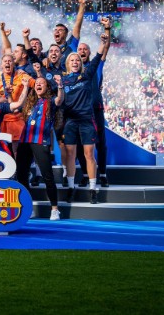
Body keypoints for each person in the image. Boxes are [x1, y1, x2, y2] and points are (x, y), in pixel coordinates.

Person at [61, 25, 111, 204]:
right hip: (70, 122)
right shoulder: (63, 80)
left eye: (77, 60)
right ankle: (71, 187)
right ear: (67, 64)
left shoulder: (87, 75)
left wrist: (103, 43)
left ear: (81, 63)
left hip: (87, 121)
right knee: (70, 155)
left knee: (89, 154)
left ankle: (92, 189)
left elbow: (97, 57)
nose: (75, 61)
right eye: (72, 60)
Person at [17, 75, 65, 220]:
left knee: (47, 175)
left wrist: (60, 86)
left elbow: (59, 100)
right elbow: (16, 105)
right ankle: (29, 208)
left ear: (47, 87)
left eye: (42, 83)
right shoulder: (30, 102)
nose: (38, 85)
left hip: (40, 141)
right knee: (21, 175)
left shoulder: (50, 101)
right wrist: (25, 87)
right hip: (25, 141)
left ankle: (55, 209)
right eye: (36, 83)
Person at [75, 20, 112, 188]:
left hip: (95, 109)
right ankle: (85, 174)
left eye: (85, 49)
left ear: (90, 52)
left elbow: (106, 47)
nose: (82, 51)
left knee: (100, 143)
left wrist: (107, 28)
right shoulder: (72, 69)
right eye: (80, 49)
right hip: (80, 112)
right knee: (80, 145)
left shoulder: (96, 65)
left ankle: (102, 174)